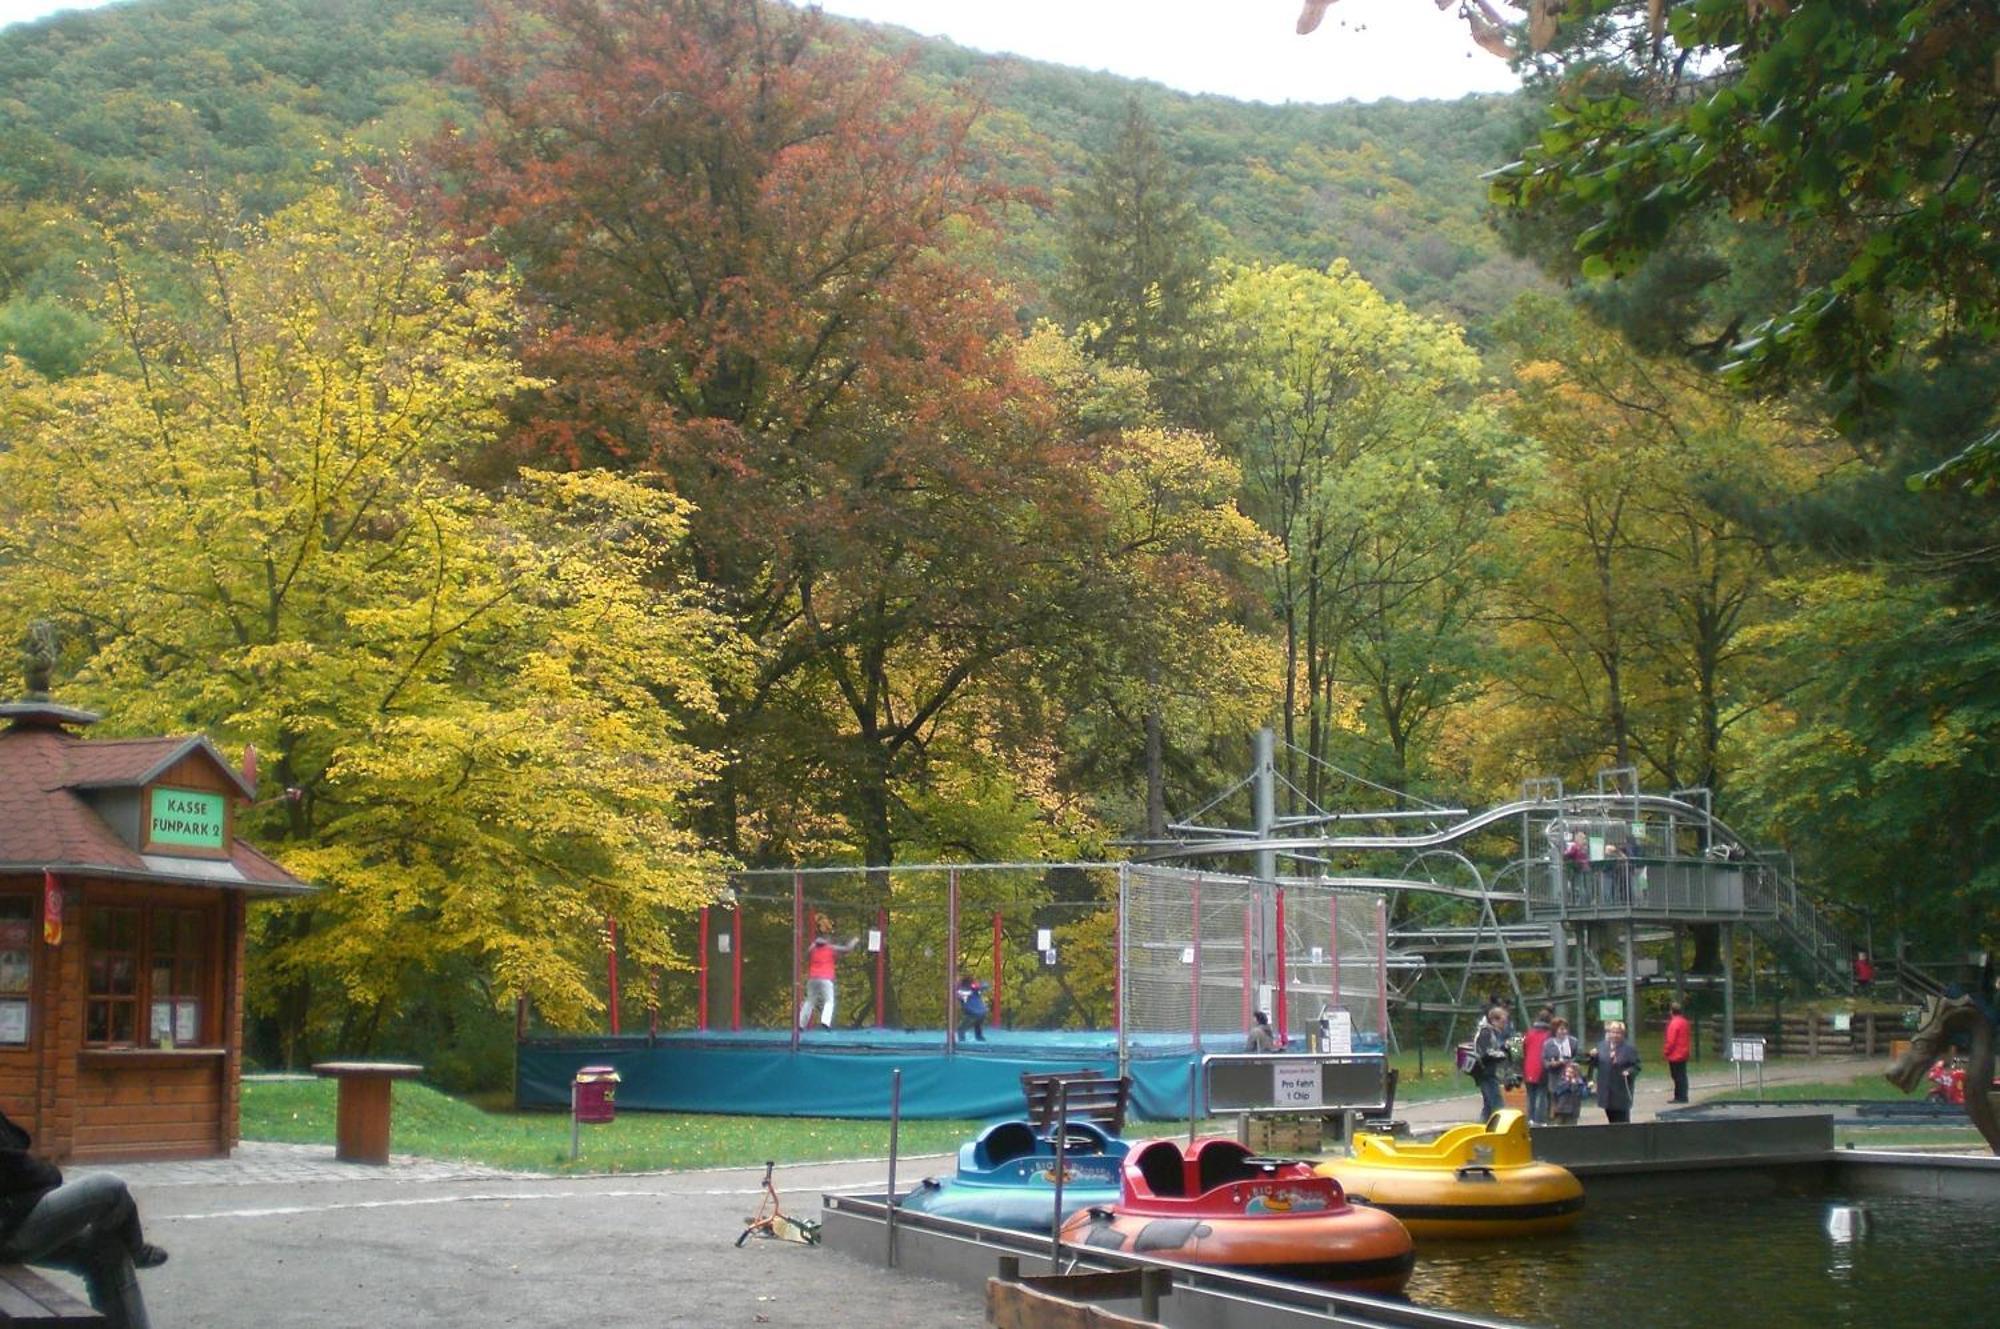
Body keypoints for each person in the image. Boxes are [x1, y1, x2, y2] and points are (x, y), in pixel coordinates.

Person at [0, 1110, 165, 1329]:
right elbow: (16, 1167)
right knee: (109, 1187)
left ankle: (128, 1244)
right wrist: (50, 1174)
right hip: (9, 1229)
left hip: (14, 1217)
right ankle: (136, 1249)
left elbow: (17, 1140)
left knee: (108, 1249)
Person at [797, 931, 860, 1030]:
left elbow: (806, 955)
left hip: (813, 978)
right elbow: (847, 949)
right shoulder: (830, 948)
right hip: (825, 978)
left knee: (809, 1001)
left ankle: (801, 1024)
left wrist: (812, 945)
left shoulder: (813, 949)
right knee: (829, 1001)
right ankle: (825, 1021)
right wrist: (855, 940)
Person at [1587, 1020, 1641, 1123]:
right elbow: (1594, 1064)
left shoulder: (1629, 1049)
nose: (1615, 1035)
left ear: (1622, 1034)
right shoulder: (1601, 1046)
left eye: (1618, 1033)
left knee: (1622, 1120)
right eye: (1613, 1032)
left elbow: (1637, 1066)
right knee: (1611, 1118)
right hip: (1606, 1089)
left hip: (1621, 1090)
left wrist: (1628, 1072)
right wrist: (1593, 1057)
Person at [1471, 1004, 1510, 1118]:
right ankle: (1499, 1130)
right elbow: (1485, 1053)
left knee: (1488, 1106)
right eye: (1503, 1022)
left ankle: (1483, 1129)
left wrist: (1505, 1048)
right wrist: (1502, 1054)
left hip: (1489, 1072)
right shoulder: (1486, 1032)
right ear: (1494, 1020)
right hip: (1486, 1073)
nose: (1504, 1025)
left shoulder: (1492, 1033)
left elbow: (1493, 1049)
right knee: (1497, 1104)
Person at [1523, 1005, 1554, 1125]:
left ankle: (1530, 1119)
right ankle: (1539, 1120)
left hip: (1528, 1067)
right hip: (1542, 1067)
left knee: (1531, 1095)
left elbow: (1519, 1048)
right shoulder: (1549, 1035)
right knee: (1542, 1094)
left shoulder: (1529, 1033)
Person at [1662, 1002, 1692, 1104]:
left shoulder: (1673, 1023)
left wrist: (1666, 1051)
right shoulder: (1685, 1022)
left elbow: (1671, 1040)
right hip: (1684, 1052)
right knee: (1682, 1075)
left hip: (1675, 1054)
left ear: (1671, 1011)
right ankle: (1683, 1095)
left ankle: (1680, 1097)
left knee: (1677, 1076)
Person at [1549, 1061, 1587, 1126]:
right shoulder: (1561, 1081)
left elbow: (1583, 1095)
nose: (1568, 1074)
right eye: (1567, 1072)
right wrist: (1568, 1083)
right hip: (1561, 1110)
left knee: (1571, 1128)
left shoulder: (1579, 1083)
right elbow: (1558, 1092)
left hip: (1573, 1110)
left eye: (1571, 1072)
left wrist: (1575, 1084)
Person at [954, 973, 988, 1042]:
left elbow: (959, 996)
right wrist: (977, 986)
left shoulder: (961, 990)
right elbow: (985, 985)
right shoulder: (973, 988)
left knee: (961, 1029)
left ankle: (962, 1043)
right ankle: (980, 1038)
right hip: (982, 1012)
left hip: (973, 1013)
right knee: (977, 1024)